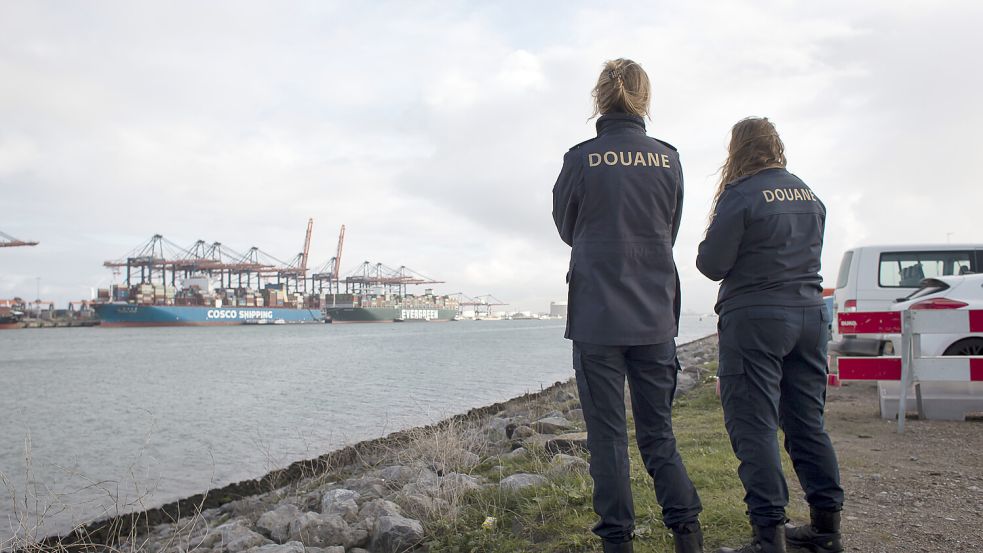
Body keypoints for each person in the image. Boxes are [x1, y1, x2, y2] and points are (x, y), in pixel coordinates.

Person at [553, 58, 703, 553]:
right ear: (645, 99)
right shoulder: (668, 158)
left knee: (608, 440)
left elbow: (566, 227)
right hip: (655, 312)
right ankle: (688, 536)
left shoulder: (581, 158)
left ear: (599, 98)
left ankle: (617, 542)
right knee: (659, 434)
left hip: (597, 314)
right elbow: (670, 228)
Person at [696, 117, 845, 553]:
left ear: (737, 151)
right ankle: (827, 529)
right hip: (809, 317)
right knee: (807, 424)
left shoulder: (741, 194)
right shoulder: (809, 193)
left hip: (757, 319)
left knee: (754, 425)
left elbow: (712, 264)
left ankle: (768, 535)